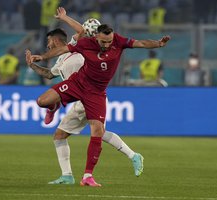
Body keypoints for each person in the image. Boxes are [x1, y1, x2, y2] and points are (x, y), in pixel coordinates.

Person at [27, 23, 171, 187]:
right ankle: (54, 109)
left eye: (110, 41)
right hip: (78, 84)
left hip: (96, 94)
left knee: (97, 132)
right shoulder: (83, 45)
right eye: (103, 42)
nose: (107, 45)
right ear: (96, 37)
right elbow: (59, 54)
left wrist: (158, 44)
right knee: (43, 102)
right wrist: (42, 58)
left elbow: (141, 43)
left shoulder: (118, 41)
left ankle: (87, 176)